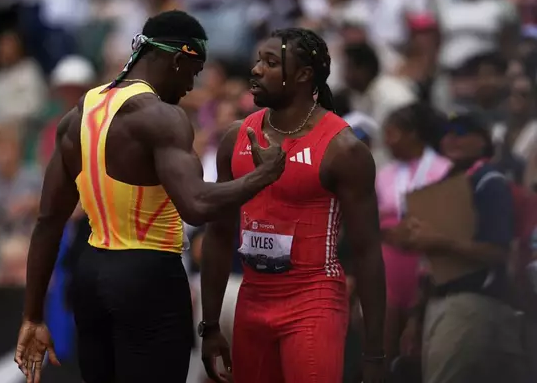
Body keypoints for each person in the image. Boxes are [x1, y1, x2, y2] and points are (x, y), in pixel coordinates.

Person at [13, 10, 286, 383]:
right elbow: (197, 205)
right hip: (147, 276)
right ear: (177, 60)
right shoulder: (161, 116)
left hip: (90, 276)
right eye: (194, 71)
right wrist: (264, 174)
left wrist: (32, 316)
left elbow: (47, 222)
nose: (192, 86)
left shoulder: (78, 115)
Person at [200, 28, 386, 383]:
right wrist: (209, 326)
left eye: (271, 63)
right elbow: (219, 234)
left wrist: (374, 354)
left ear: (304, 75)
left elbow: (367, 251)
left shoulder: (343, 150)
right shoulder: (235, 138)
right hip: (251, 299)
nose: (256, 70)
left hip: (313, 301)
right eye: (258, 60)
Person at [392, 111, 525, 383]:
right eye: (447, 134)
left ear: (483, 140)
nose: (451, 139)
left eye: (461, 133)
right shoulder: (446, 184)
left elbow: (497, 251)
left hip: (472, 302)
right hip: (438, 303)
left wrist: (441, 241)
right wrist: (416, 317)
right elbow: (429, 262)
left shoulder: (489, 181)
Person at [376, 103, 452, 362]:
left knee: (420, 350)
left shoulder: (444, 169)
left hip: (425, 265)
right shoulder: (384, 174)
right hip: (389, 267)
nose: (386, 141)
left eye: (392, 133)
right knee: (383, 348)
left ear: (414, 135)